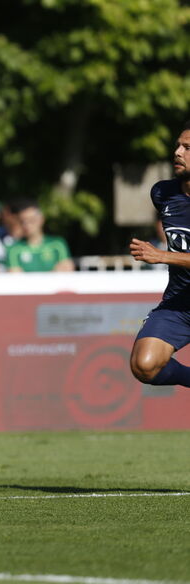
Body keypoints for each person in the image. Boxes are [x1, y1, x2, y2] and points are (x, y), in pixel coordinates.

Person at [129, 121, 190, 388]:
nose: (177, 152)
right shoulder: (163, 193)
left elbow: (165, 255)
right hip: (180, 303)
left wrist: (162, 256)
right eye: (178, 145)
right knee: (144, 365)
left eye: (187, 148)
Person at [5, 201, 74, 272]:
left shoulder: (57, 244)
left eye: (31, 220)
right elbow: (14, 274)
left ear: (41, 219)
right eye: (23, 221)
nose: (26, 225)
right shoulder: (14, 249)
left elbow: (66, 270)